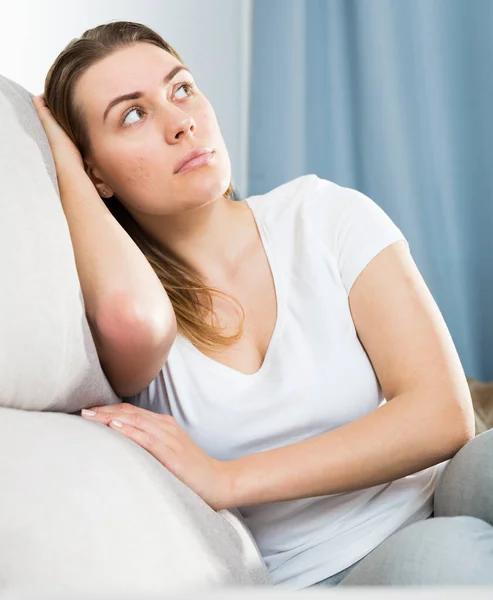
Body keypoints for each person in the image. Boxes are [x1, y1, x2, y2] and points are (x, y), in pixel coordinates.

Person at [32, 20, 493, 589]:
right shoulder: (136, 312)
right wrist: (61, 155)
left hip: (438, 493)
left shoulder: (323, 215)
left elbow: (444, 415)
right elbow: (131, 316)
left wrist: (228, 480)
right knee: (452, 558)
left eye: (181, 89)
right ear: (95, 170)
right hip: (328, 573)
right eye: (132, 115)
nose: (181, 123)